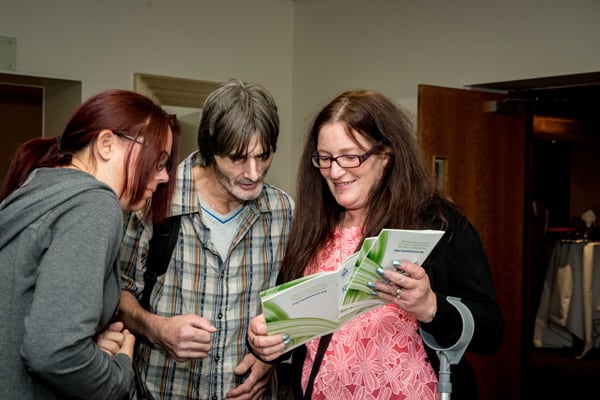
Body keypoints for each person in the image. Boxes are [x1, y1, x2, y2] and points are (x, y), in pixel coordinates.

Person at [247, 89, 504, 400]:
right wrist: (265, 340)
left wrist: (431, 307)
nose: (335, 172)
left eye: (350, 157)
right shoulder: (313, 227)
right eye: (325, 158)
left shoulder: (437, 223)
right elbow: (293, 332)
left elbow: (491, 332)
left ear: (385, 156)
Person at [118, 79, 294, 399]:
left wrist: (271, 356)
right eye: (238, 158)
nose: (254, 173)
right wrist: (157, 329)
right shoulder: (153, 201)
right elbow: (118, 293)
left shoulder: (283, 212)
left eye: (263, 156)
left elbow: (294, 304)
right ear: (210, 149)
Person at [0, 88, 180, 399]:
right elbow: (53, 352)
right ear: (106, 144)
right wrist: (120, 370)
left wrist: (89, 349)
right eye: (157, 160)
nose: (163, 176)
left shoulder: (39, 183)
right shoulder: (94, 204)